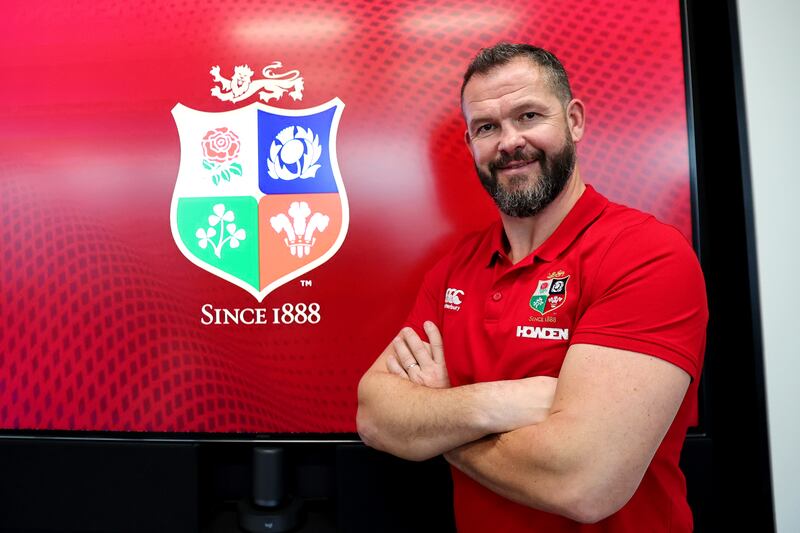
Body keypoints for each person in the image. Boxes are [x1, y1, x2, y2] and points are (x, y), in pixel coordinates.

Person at [356, 43, 708, 532]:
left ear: (574, 121)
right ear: (470, 144)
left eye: (528, 116)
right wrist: (506, 401)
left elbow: (582, 483)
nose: (509, 142)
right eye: (487, 127)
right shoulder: (453, 270)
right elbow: (375, 415)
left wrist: (438, 421)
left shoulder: (645, 255)